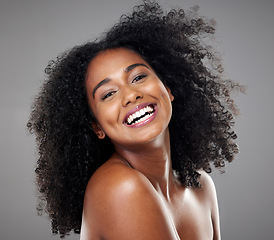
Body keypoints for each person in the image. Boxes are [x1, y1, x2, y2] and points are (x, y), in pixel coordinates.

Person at [28, 1, 242, 239]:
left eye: (138, 77)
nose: (131, 95)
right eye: (108, 94)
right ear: (97, 126)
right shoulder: (120, 187)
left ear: (168, 88)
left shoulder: (201, 186)